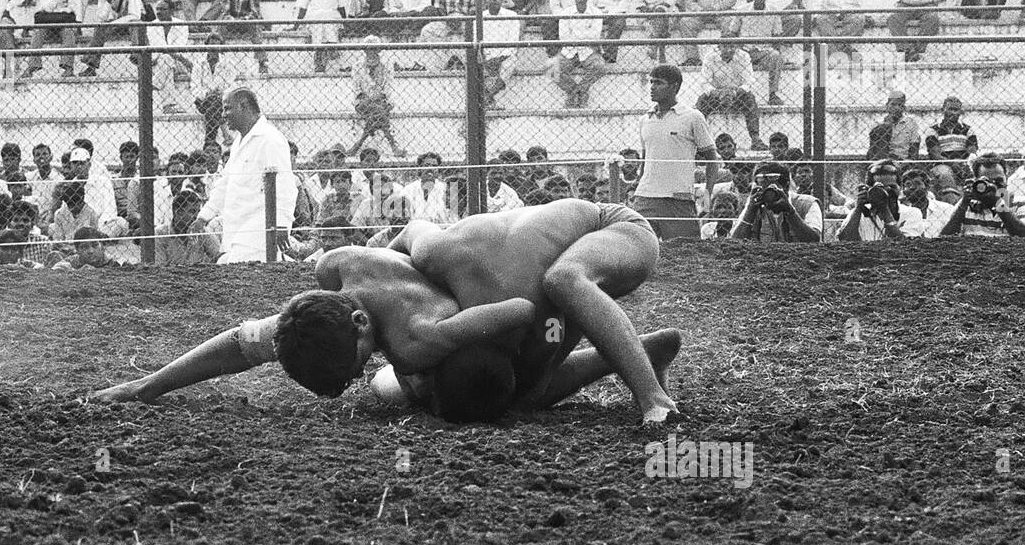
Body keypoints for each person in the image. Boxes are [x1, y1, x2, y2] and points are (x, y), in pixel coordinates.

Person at [95, 198, 684, 426]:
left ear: (360, 325)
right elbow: (241, 343)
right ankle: (637, 350)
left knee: (561, 287)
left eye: (358, 364)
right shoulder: (341, 273)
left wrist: (547, 341)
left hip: (617, 229)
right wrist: (149, 386)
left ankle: (651, 396)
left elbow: (524, 309)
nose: (361, 373)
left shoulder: (418, 332)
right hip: (501, 274)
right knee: (494, 380)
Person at [189, 87, 297, 263]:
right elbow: (225, 183)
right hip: (237, 229)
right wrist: (203, 217)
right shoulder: (239, 141)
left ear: (244, 106)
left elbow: (285, 185)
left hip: (260, 229)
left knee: (236, 271)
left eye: (227, 108)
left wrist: (281, 222)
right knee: (226, 266)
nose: (223, 114)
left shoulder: (270, 139)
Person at [633, 65, 722, 239]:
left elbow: (712, 159)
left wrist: (707, 194)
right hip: (645, 198)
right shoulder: (645, 119)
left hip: (678, 200)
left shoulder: (692, 117)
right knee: (637, 253)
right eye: (651, 82)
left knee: (686, 255)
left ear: (674, 86)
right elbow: (646, 160)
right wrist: (637, 187)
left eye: (658, 83)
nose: (652, 87)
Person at [939, 153, 1025, 238]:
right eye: (988, 181)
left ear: (1006, 178)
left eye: (999, 181)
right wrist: (964, 204)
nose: (994, 186)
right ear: (976, 181)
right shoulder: (966, 205)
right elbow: (943, 239)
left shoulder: (1019, 203)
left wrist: (999, 204)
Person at [729, 161, 823, 242]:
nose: (767, 193)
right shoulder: (754, 204)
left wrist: (790, 211)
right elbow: (734, 242)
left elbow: (814, 239)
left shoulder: (808, 204)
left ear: (786, 186)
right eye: (763, 188)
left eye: (772, 189)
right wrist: (750, 212)